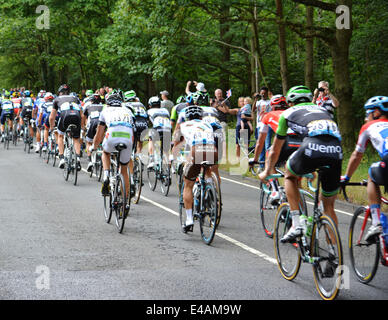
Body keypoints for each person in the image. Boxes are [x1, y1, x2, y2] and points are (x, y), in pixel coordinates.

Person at [259, 86, 343, 256]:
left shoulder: (287, 113)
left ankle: (297, 223)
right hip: (336, 151)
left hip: (312, 146)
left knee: (290, 176)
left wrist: (267, 170)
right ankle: (334, 253)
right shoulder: (322, 108)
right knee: (328, 207)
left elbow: (275, 150)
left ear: (290, 102)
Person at [341, 96, 388, 242]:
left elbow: (356, 155)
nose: (366, 117)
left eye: (368, 113)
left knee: (371, 174)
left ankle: (376, 223)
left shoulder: (368, 126)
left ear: (376, 112)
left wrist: (346, 177)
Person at [172, 106, 218, 232]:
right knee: (207, 169)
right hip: (212, 150)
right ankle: (210, 189)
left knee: (188, 184)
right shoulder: (207, 124)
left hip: (196, 150)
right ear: (201, 117)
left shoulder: (183, 125)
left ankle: (189, 219)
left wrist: (173, 157)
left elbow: (176, 143)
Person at [90, 90, 134, 215]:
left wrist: (94, 146)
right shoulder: (128, 111)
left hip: (112, 136)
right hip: (128, 138)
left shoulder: (105, 111)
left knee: (106, 152)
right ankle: (125, 203)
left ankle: (106, 176)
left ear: (108, 103)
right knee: (124, 169)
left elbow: (99, 134)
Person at [49, 84, 83, 171]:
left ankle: (61, 158)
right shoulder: (75, 98)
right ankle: (78, 159)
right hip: (76, 116)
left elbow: (52, 117)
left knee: (60, 136)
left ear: (60, 93)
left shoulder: (56, 99)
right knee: (76, 139)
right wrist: (82, 126)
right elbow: (82, 115)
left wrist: (52, 127)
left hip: (65, 115)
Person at [147, 96, 172, 169]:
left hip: (158, 129)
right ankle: (168, 164)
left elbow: (147, 122)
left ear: (150, 105)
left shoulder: (149, 111)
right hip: (168, 129)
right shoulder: (165, 110)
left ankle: (152, 158)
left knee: (151, 139)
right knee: (165, 149)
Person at [82, 93, 104, 172]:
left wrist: (83, 127)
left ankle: (90, 161)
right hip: (101, 124)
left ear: (91, 100)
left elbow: (83, 117)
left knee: (88, 142)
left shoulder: (88, 106)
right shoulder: (103, 106)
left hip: (92, 123)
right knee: (101, 140)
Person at [252, 87, 272, 167]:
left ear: (267, 93)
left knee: (267, 145)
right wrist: (255, 99)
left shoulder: (270, 102)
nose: (263, 94)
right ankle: (261, 165)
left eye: (264, 93)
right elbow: (253, 110)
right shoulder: (258, 102)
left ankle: (269, 164)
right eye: (262, 93)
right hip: (259, 125)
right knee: (260, 146)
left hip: (267, 126)